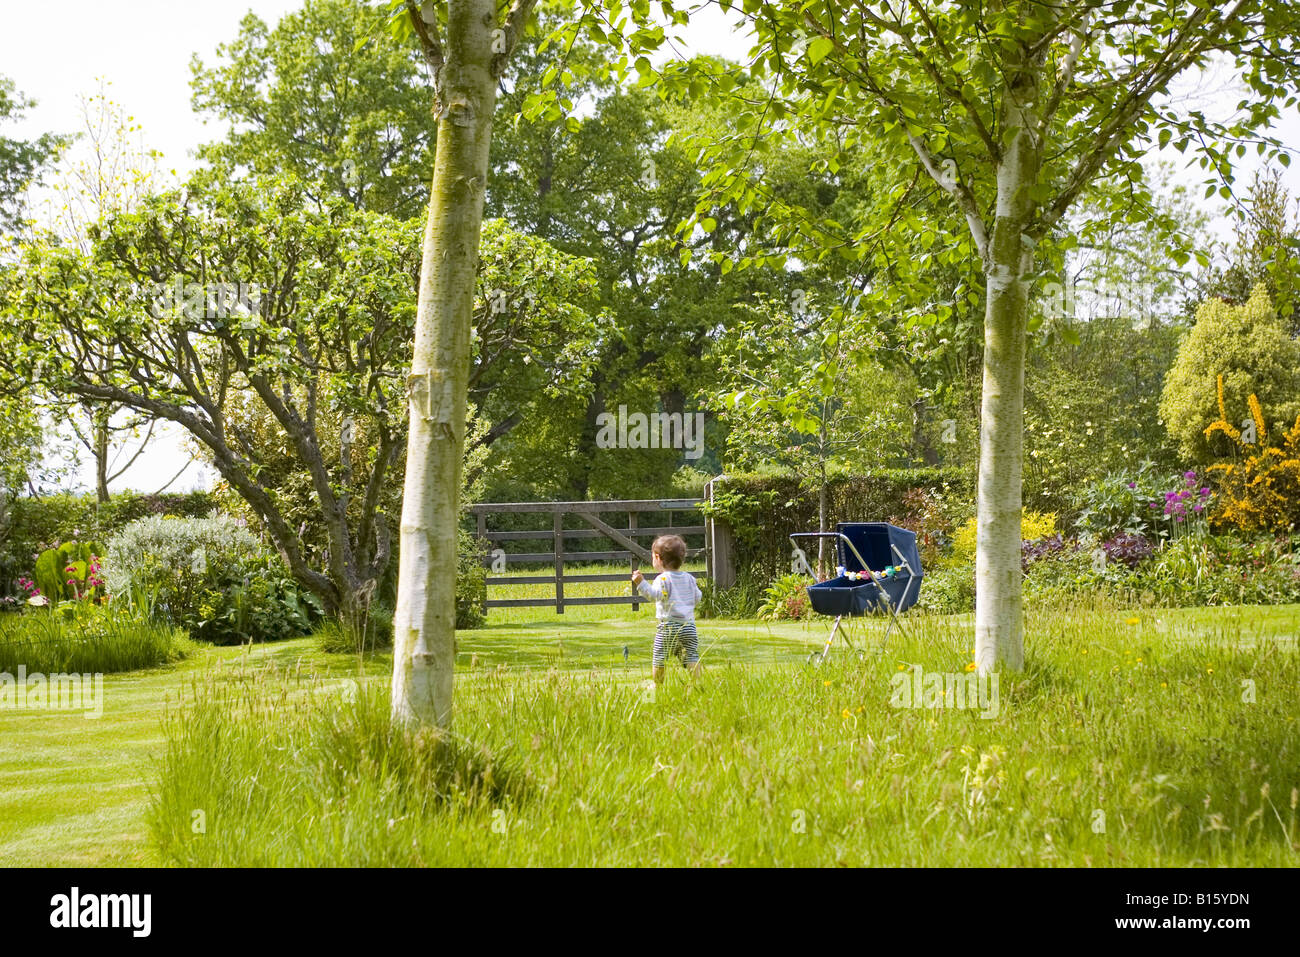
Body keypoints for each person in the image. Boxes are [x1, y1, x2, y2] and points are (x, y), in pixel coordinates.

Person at [631, 534, 703, 684]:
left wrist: (641, 583)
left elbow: (654, 595)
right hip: (689, 626)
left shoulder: (663, 579)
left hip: (668, 627)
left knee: (659, 657)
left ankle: (658, 686)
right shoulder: (689, 578)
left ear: (657, 558)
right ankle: (697, 684)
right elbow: (698, 597)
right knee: (691, 655)